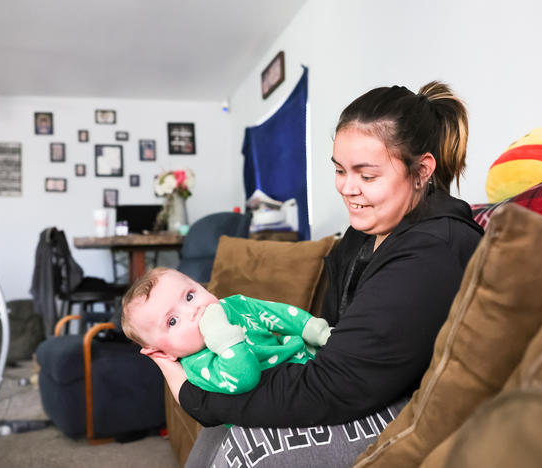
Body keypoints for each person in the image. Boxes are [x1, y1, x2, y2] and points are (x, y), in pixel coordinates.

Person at [153, 81, 485, 467]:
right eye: (340, 170)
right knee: (223, 427)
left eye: (368, 175)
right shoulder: (363, 234)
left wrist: (197, 397)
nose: (347, 188)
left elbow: (333, 385)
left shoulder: (430, 252)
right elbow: (332, 342)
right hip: (359, 384)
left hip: (418, 407)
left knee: (248, 448)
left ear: (422, 170)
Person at [121, 267, 332, 394]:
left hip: (308, 357)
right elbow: (244, 378)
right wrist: (220, 335)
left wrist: (317, 330)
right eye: (173, 321)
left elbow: (277, 314)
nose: (195, 310)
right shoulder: (198, 366)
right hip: (285, 393)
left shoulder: (232, 305)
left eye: (189, 296)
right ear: (164, 354)